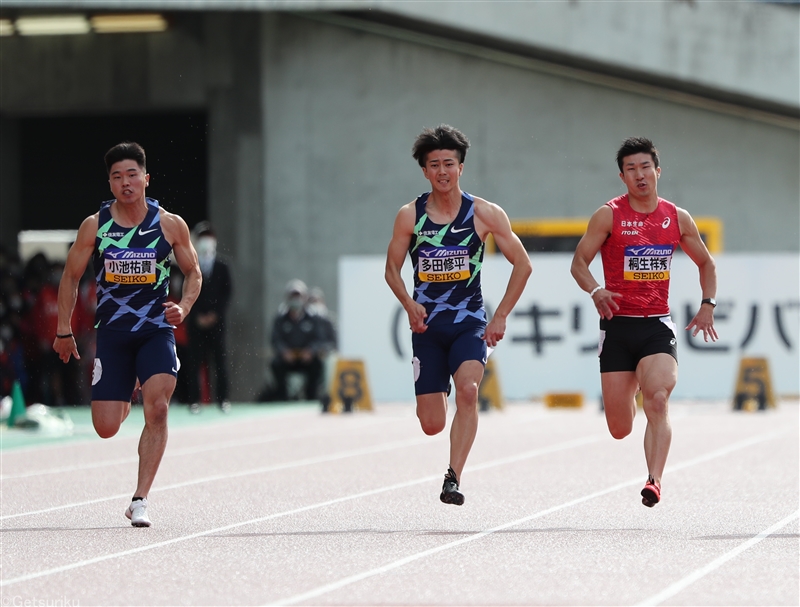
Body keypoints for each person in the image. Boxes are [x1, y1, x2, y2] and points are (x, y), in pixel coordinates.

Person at [53, 141, 201, 527]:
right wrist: (63, 329)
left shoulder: (169, 224)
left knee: (159, 408)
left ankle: (140, 499)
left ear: (146, 178)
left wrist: (183, 307)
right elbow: (71, 277)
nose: (126, 182)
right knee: (105, 428)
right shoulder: (96, 225)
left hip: (155, 329)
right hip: (114, 334)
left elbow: (194, 274)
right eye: (117, 177)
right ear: (110, 183)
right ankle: (130, 382)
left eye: (132, 175)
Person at [385, 124, 532, 506]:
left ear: (461, 167)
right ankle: (437, 389)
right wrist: (408, 303)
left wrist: (499, 316)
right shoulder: (409, 216)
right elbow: (391, 269)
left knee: (468, 391)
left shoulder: (484, 213)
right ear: (424, 171)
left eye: (449, 163)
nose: (442, 171)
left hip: (469, 321)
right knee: (432, 423)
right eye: (434, 165)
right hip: (427, 327)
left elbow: (523, 265)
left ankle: (453, 477)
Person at [570, 136, 718, 508]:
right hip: (617, 327)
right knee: (620, 428)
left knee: (658, 399)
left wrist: (707, 304)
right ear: (622, 177)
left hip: (656, 325)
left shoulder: (676, 217)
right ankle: (630, 389)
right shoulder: (609, 215)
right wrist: (595, 291)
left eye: (645, 167)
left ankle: (654, 480)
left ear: (657, 170)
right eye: (631, 169)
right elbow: (579, 263)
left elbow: (706, 263)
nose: (640, 175)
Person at [185, 221, 232, 414]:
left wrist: (215, 314)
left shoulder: (222, 266)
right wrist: (196, 315)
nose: (206, 241)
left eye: (209, 237)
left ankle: (223, 399)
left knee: (219, 361)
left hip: (217, 323)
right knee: (194, 363)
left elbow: (227, 293)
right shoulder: (189, 266)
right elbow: (185, 291)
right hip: (195, 323)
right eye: (202, 237)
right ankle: (194, 400)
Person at [269, 279, 325, 402]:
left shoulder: (312, 318)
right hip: (288, 358)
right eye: (293, 296)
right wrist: (284, 351)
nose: (296, 300)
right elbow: (275, 339)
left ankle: (311, 397)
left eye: (298, 296)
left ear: (304, 298)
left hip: (306, 358)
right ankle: (282, 397)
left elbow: (319, 338)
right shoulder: (280, 318)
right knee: (276, 364)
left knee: (317, 366)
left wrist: (311, 350)